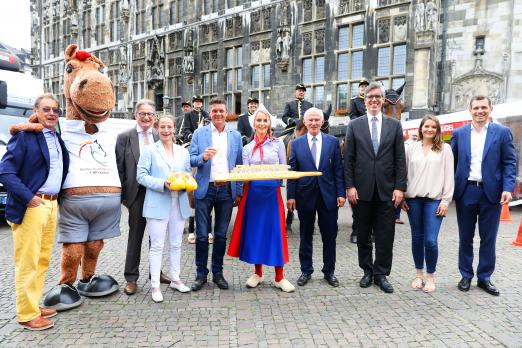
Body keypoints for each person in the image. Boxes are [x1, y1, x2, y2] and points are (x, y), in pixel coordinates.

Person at [0, 94, 69, 330]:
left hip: (51, 204)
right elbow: (6, 172)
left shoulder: (56, 137)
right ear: (36, 111)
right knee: (28, 262)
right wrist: (29, 198)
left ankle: (34, 304)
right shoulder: (24, 137)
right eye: (46, 109)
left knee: (42, 260)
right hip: (33, 205)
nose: (51, 114)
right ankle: (27, 315)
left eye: (55, 110)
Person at [344, 82, 407, 294]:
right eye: (369, 97)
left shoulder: (394, 125)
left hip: (387, 191)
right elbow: (349, 159)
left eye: (377, 97)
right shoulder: (354, 125)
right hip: (361, 191)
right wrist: (350, 185)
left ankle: (381, 274)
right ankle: (367, 271)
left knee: (385, 234)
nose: (373, 100)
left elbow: (400, 159)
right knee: (363, 235)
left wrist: (400, 187)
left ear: (382, 100)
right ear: (365, 100)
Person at [451, 96, 516, 296]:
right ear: (470, 111)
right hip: (466, 191)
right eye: (476, 108)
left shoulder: (503, 133)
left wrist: (508, 187)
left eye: (484, 107)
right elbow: (450, 163)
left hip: (492, 193)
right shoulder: (459, 133)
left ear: (490, 109)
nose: (480, 111)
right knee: (465, 237)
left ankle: (484, 277)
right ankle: (466, 275)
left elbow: (510, 162)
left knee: (488, 238)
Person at [228, 106, 295, 292]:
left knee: (275, 233)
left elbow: (284, 169)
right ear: (254, 124)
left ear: (270, 124)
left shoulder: (278, 144)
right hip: (254, 195)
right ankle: (257, 273)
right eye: (259, 120)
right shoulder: (247, 148)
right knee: (256, 233)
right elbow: (246, 175)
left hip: (272, 194)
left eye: (265, 120)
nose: (262, 123)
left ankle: (279, 277)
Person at [116, 99, 171, 296]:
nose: (147, 117)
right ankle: (131, 278)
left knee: (156, 236)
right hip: (136, 194)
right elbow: (120, 168)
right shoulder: (125, 137)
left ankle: (156, 273)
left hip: (157, 192)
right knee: (135, 236)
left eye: (150, 114)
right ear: (136, 115)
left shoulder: (159, 135)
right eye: (143, 114)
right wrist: (124, 196)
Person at [287, 108, 346, 287]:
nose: (313, 123)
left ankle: (329, 271)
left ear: (322, 122)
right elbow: (292, 172)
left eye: (317, 120)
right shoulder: (296, 144)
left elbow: (338, 170)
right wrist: (290, 196)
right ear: (304, 122)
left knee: (329, 236)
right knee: (305, 235)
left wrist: (341, 193)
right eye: (310, 120)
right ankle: (306, 271)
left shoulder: (333, 142)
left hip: (328, 196)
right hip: (304, 196)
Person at [189, 97, 243, 291]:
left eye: (221, 110)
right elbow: (191, 160)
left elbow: (239, 166)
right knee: (202, 235)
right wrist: (203, 157)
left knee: (221, 235)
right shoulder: (199, 133)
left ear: (226, 112)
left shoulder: (235, 136)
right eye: (214, 111)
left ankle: (218, 273)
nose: (218, 114)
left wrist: (238, 191)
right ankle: (201, 274)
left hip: (226, 190)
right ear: (209, 114)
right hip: (205, 188)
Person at [137, 115, 192, 302]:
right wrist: (162, 183)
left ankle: (176, 278)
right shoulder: (150, 150)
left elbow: (186, 173)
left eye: (169, 127)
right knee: (157, 245)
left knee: (176, 243)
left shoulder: (183, 152)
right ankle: (155, 286)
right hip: (158, 202)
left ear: (174, 128)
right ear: (157, 128)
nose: (166, 130)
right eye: (162, 127)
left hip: (179, 202)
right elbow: (141, 176)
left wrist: (186, 182)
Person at [402, 116, 454, 293]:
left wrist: (446, 200)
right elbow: (404, 173)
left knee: (430, 240)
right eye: (426, 126)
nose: (429, 129)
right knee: (417, 237)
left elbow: (449, 176)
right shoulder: (411, 148)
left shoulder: (445, 149)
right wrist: (402, 196)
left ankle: (430, 276)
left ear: (438, 130)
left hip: (434, 200)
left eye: (433, 127)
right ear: (421, 128)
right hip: (413, 199)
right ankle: (418, 274)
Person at [181, 96, 212, 245]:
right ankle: (182, 181)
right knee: (184, 157)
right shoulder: (188, 115)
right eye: (196, 102)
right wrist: (191, 136)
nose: (198, 104)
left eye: (200, 102)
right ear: (193, 103)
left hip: (204, 142)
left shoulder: (206, 114)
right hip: (192, 141)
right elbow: (185, 129)